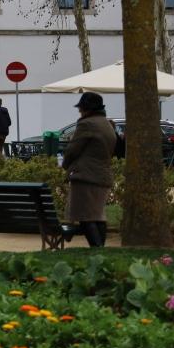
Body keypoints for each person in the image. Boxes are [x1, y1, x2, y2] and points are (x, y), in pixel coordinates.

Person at [61, 92, 117, 247]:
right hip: (103, 175)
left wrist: (65, 165)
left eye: (81, 108)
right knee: (98, 215)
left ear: (87, 109)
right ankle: (100, 249)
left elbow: (73, 150)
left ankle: (96, 249)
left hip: (85, 176)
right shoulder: (106, 124)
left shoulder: (86, 124)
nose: (79, 111)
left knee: (84, 216)